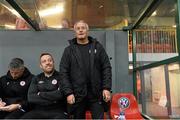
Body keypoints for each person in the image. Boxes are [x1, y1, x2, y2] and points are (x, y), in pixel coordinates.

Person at [59, 20, 112, 119]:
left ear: (87, 31)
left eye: (83, 28)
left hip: (96, 94)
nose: (80, 30)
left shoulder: (98, 47)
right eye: (78, 28)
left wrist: (106, 88)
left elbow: (106, 68)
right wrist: (68, 93)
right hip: (77, 95)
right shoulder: (68, 50)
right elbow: (63, 73)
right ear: (75, 32)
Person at [21, 53, 68, 119]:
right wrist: (53, 99)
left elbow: (60, 94)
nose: (48, 63)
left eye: (50, 60)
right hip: (38, 110)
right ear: (41, 65)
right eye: (44, 61)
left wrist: (40, 94)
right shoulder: (36, 78)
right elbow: (31, 97)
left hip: (57, 110)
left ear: (53, 62)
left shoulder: (61, 76)